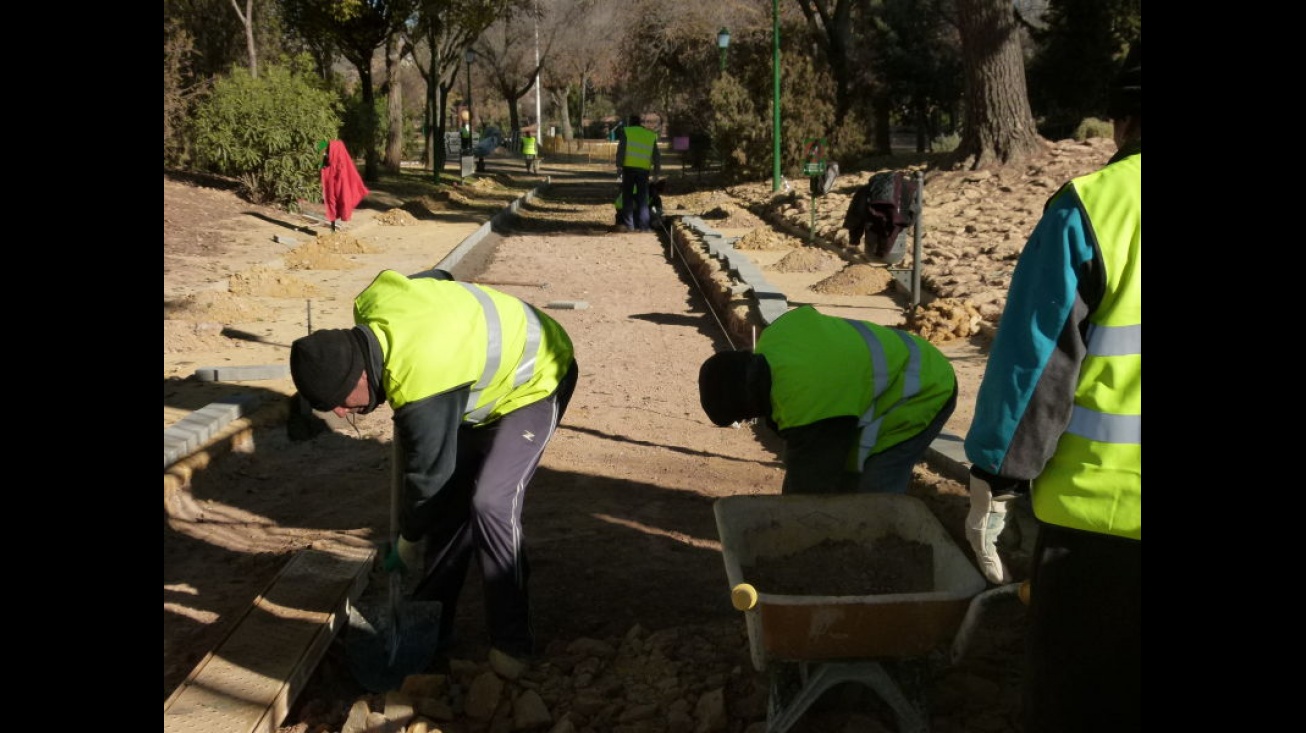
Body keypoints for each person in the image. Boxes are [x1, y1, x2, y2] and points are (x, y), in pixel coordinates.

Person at [962, 40, 1140, 733]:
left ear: (1122, 123)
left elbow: (1034, 363)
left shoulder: (1092, 208)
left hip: (1101, 542)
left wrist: (993, 476)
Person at [289, 268, 579, 662]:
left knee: (490, 501)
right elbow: (437, 275)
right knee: (451, 509)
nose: (341, 413)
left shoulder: (421, 381)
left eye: (339, 401)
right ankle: (433, 626)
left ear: (358, 374)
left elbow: (428, 480)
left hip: (538, 375)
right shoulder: (372, 303)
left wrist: (407, 543)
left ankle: (512, 644)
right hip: (478, 392)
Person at [697, 305, 957, 495]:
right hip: (898, 364)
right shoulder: (774, 342)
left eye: (744, 415)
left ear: (748, 400)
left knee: (875, 486)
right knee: (843, 471)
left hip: (923, 387)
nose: (751, 419)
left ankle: (878, 550)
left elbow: (810, 482)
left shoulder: (808, 401)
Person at [614, 113, 661, 233]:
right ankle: (644, 227)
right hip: (644, 170)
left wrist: (619, 166)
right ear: (641, 122)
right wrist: (656, 172)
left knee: (627, 197)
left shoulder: (627, 131)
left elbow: (621, 149)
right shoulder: (650, 135)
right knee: (643, 198)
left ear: (630, 122)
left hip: (628, 168)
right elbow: (656, 155)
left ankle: (629, 226)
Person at [320, 139, 369, 232]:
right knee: (332, 201)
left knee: (337, 199)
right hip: (330, 175)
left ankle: (333, 228)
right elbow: (322, 158)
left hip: (336, 176)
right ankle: (332, 228)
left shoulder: (336, 151)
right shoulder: (323, 146)